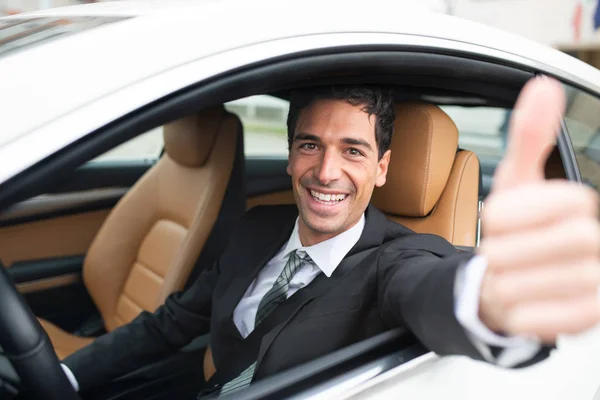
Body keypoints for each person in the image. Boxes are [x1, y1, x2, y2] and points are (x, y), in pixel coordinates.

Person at [60, 77, 600, 398]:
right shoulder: (256, 229)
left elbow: (436, 288)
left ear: (384, 168)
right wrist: (65, 374)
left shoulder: (398, 260)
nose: (326, 171)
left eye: (354, 151)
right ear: (292, 153)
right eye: (311, 145)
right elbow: (173, 321)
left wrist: (494, 299)